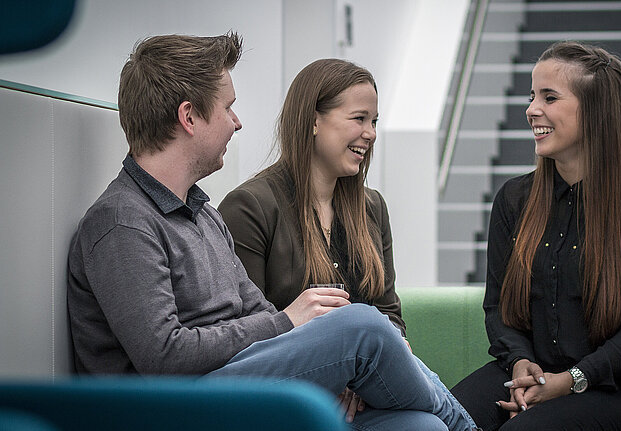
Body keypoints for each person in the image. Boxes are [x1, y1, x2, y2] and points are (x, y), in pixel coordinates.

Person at [67, 32, 477, 431]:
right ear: (189, 117)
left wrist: (320, 363)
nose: (237, 122)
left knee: (419, 424)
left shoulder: (203, 214)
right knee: (363, 326)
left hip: (235, 382)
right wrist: (288, 323)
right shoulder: (122, 221)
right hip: (174, 406)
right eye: (228, 108)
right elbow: (164, 356)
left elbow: (257, 313)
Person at [218, 58, 471, 430]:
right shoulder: (250, 206)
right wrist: (335, 372)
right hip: (291, 395)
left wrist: (372, 367)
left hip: (361, 391)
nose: (370, 133)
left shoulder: (372, 207)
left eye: (374, 122)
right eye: (359, 119)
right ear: (314, 120)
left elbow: (389, 313)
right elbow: (250, 331)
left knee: (426, 427)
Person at [450, 41, 621, 430]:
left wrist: (571, 381)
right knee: (442, 421)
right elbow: (498, 308)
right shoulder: (513, 199)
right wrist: (520, 362)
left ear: (594, 110)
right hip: (535, 372)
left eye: (549, 97)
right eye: (532, 96)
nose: (531, 109)